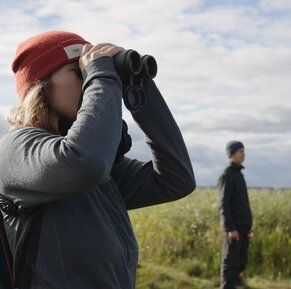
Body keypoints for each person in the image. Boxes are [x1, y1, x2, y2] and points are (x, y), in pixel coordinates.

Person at [0, 31, 195, 289]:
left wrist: (140, 87)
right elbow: (84, 163)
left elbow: (175, 179)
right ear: (42, 86)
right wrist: (101, 74)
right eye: (80, 72)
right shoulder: (17, 148)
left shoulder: (97, 165)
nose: (90, 80)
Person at [217, 141, 253, 289]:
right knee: (230, 263)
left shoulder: (239, 174)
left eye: (243, 151)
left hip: (244, 227)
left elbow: (243, 203)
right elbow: (223, 203)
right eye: (240, 151)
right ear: (231, 154)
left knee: (241, 262)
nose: (243, 154)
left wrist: (249, 226)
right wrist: (230, 228)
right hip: (234, 228)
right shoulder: (227, 175)